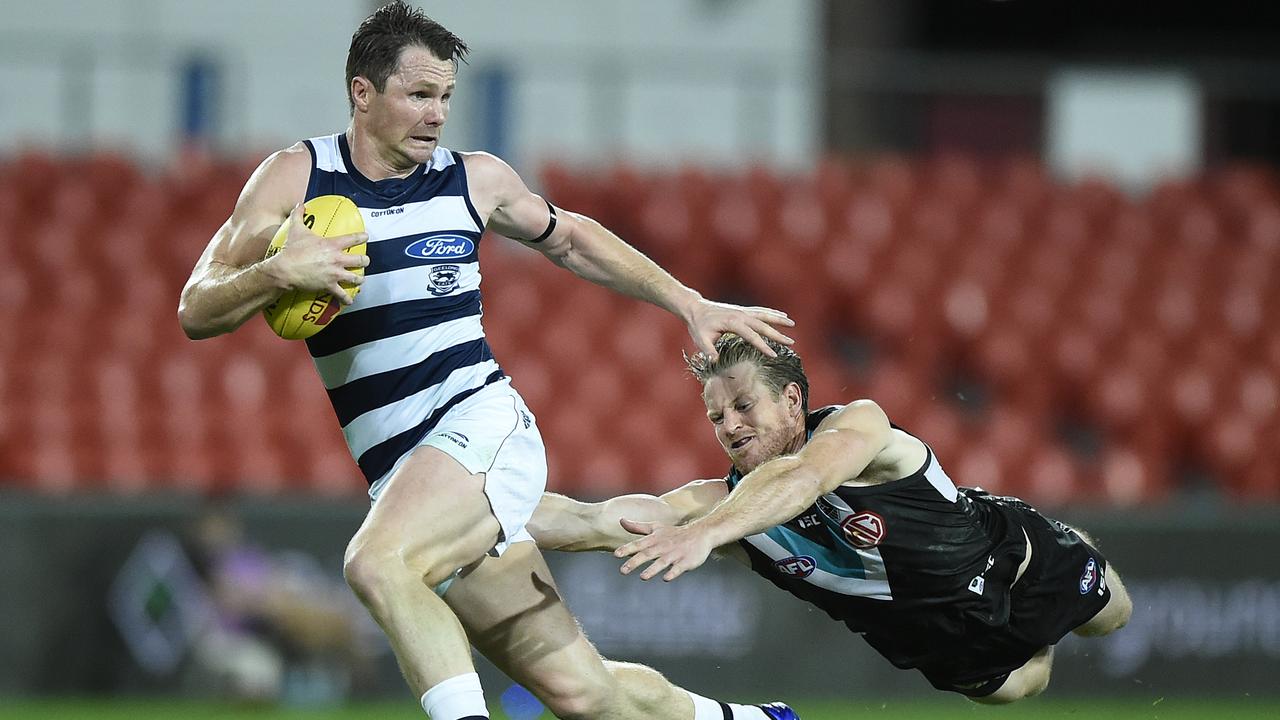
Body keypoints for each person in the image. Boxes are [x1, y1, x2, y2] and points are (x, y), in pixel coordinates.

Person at [177, 4, 801, 719]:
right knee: (585, 695)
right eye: (419, 95)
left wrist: (686, 300)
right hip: (403, 472)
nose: (438, 113)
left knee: (377, 563)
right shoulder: (296, 178)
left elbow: (571, 239)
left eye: (446, 96)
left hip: (479, 424)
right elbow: (197, 309)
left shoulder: (474, 181)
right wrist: (274, 274)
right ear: (362, 92)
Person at [530, 333, 1134, 705]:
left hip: (1013, 562)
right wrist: (472, 515)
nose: (730, 427)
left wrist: (707, 534)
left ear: (792, 399)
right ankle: (1035, 640)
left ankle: (1070, 544)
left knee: (1112, 620)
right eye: (717, 418)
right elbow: (591, 520)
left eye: (744, 405)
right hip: (944, 644)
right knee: (1026, 685)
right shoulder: (719, 502)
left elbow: (805, 479)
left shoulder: (860, 427)